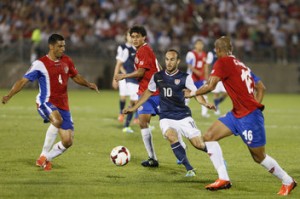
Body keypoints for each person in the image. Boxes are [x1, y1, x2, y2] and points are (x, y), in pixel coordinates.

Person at [185, 36, 297, 195]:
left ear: (217, 51)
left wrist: (192, 93)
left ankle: (288, 180)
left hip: (249, 117)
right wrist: (253, 105)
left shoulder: (223, 62)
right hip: (236, 114)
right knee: (209, 136)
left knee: (259, 157)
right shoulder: (241, 64)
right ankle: (223, 179)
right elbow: (261, 87)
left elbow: (210, 85)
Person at [123, 49, 231, 184]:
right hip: (166, 116)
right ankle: (189, 168)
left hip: (184, 116)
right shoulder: (157, 76)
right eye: (167, 59)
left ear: (178, 61)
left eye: (172, 59)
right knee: (171, 136)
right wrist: (133, 107)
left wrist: (205, 103)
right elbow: (147, 93)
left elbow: (196, 93)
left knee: (198, 144)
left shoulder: (185, 77)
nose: (168, 62)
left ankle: (218, 158)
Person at [2, 33, 99, 171]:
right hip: (45, 102)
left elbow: (75, 76)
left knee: (67, 141)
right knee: (57, 121)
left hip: (64, 105)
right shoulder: (40, 64)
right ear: (51, 46)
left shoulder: (67, 60)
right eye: (60, 46)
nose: (63, 49)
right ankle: (43, 155)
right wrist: (9, 95)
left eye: (64, 46)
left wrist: (88, 84)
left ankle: (47, 158)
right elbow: (23, 81)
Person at [115, 25, 160, 167]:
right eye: (132, 37)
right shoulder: (141, 50)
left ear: (143, 37)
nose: (134, 39)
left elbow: (141, 72)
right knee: (143, 122)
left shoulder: (144, 50)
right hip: (147, 92)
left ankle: (184, 152)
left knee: (170, 128)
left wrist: (125, 76)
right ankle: (152, 158)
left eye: (137, 37)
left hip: (155, 93)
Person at [112, 31, 139, 133]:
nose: (133, 38)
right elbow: (119, 64)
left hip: (135, 79)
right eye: (130, 35)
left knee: (135, 101)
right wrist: (116, 78)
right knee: (130, 99)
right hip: (128, 79)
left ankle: (134, 122)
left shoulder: (137, 49)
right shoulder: (124, 48)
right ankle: (124, 119)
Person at [185, 39, 210, 118]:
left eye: (201, 44)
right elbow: (189, 65)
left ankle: (204, 113)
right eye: (198, 44)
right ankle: (183, 111)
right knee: (187, 96)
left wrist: (206, 78)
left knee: (204, 95)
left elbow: (205, 66)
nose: (200, 46)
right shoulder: (191, 54)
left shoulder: (204, 54)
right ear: (195, 45)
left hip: (200, 79)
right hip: (191, 78)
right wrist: (196, 71)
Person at [207, 50, 227, 115]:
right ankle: (217, 108)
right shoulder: (211, 53)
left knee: (225, 93)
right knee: (216, 93)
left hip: (224, 76)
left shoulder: (226, 52)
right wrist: (208, 75)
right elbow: (208, 64)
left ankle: (216, 104)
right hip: (215, 75)